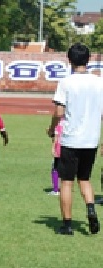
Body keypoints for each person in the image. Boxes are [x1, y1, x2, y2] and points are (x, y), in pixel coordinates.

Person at [47, 43, 103, 235]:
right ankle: (90, 208)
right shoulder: (99, 82)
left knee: (66, 182)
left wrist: (52, 128)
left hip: (71, 139)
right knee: (85, 178)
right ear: (88, 60)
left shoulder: (66, 82)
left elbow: (59, 111)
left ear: (69, 60)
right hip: (92, 139)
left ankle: (67, 225)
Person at [48, 117, 64, 196]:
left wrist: (53, 148)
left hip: (59, 148)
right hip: (69, 148)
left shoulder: (59, 122)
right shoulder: (70, 122)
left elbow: (56, 137)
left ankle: (55, 189)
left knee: (55, 168)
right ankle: (66, 189)